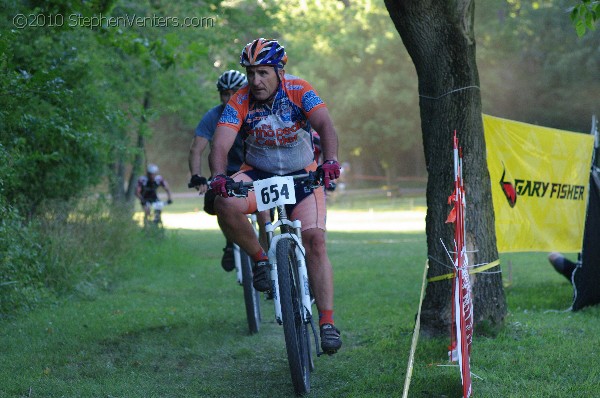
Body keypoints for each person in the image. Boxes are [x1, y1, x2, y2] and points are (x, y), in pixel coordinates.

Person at [208, 38, 342, 354]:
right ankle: (262, 260)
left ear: (279, 71)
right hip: (259, 174)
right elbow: (220, 144)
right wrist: (218, 177)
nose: (255, 81)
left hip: (302, 176)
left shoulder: (299, 89)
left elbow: (324, 124)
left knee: (316, 242)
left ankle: (326, 322)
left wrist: (330, 160)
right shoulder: (239, 100)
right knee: (223, 202)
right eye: (250, 73)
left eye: (263, 73)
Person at [188, 70, 248, 272]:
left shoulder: (255, 110)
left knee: (266, 212)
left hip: (254, 168)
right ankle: (231, 243)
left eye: (235, 92)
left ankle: (265, 260)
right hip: (224, 173)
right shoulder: (212, 116)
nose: (230, 98)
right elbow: (197, 149)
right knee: (216, 203)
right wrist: (197, 176)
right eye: (225, 93)